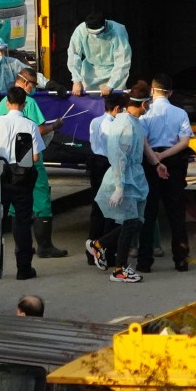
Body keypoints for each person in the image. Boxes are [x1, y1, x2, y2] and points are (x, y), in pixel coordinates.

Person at [85, 81, 168, 283]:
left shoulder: (135, 122)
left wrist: (157, 163)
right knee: (131, 222)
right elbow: (118, 156)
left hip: (134, 176)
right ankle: (120, 269)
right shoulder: (125, 126)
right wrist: (120, 187)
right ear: (144, 104)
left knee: (137, 222)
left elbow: (144, 143)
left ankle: (99, 245)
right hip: (124, 178)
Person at [0, 68, 68, 258]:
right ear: (26, 83)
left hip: (7, 163)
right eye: (33, 85)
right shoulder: (29, 103)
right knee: (42, 200)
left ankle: (20, 248)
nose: (34, 88)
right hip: (29, 160)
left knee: (15, 208)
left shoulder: (3, 104)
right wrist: (55, 125)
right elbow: (38, 130)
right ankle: (45, 246)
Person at [137, 74, 193, 273]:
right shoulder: (180, 113)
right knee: (176, 214)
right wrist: (164, 155)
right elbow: (185, 142)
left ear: (152, 90)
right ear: (170, 93)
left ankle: (144, 261)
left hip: (150, 162)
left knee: (148, 214)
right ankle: (181, 260)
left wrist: (154, 158)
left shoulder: (145, 113)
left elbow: (142, 141)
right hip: (174, 163)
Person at [0, 86, 47, 280]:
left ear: (7, 103)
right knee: (22, 223)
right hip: (23, 179)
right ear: (24, 104)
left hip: (0, 177)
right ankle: (24, 269)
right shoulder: (30, 125)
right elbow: (36, 155)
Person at [84, 93, 124, 265]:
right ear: (116, 109)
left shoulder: (95, 121)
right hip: (108, 164)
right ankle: (106, 250)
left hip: (95, 162)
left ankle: (91, 248)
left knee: (97, 206)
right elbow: (114, 148)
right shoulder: (113, 125)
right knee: (111, 209)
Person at [68, 13, 132, 96]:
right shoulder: (80, 30)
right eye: (93, 34)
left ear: (104, 25)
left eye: (99, 33)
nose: (96, 36)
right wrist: (76, 80)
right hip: (90, 73)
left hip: (114, 72)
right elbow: (74, 55)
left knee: (115, 101)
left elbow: (122, 60)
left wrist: (111, 84)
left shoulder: (118, 30)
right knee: (91, 103)